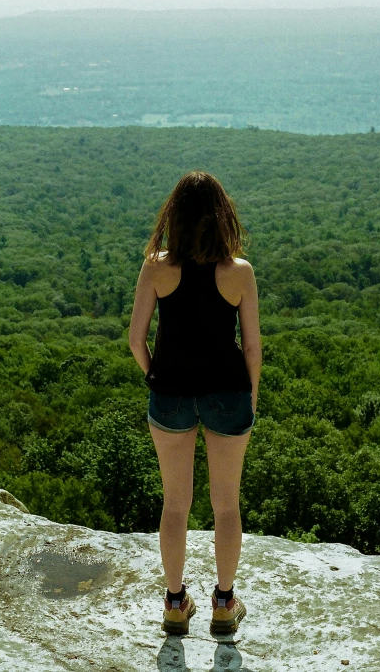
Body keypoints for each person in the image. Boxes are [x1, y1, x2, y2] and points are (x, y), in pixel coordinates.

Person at [129, 170, 261, 636]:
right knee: (226, 505)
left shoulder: (156, 267)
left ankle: (174, 603)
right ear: (223, 216)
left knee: (175, 505)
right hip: (228, 394)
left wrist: (156, 377)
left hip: (170, 397)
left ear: (175, 217)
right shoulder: (238, 272)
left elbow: (135, 339)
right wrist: (251, 396)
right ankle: (224, 605)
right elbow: (251, 348)